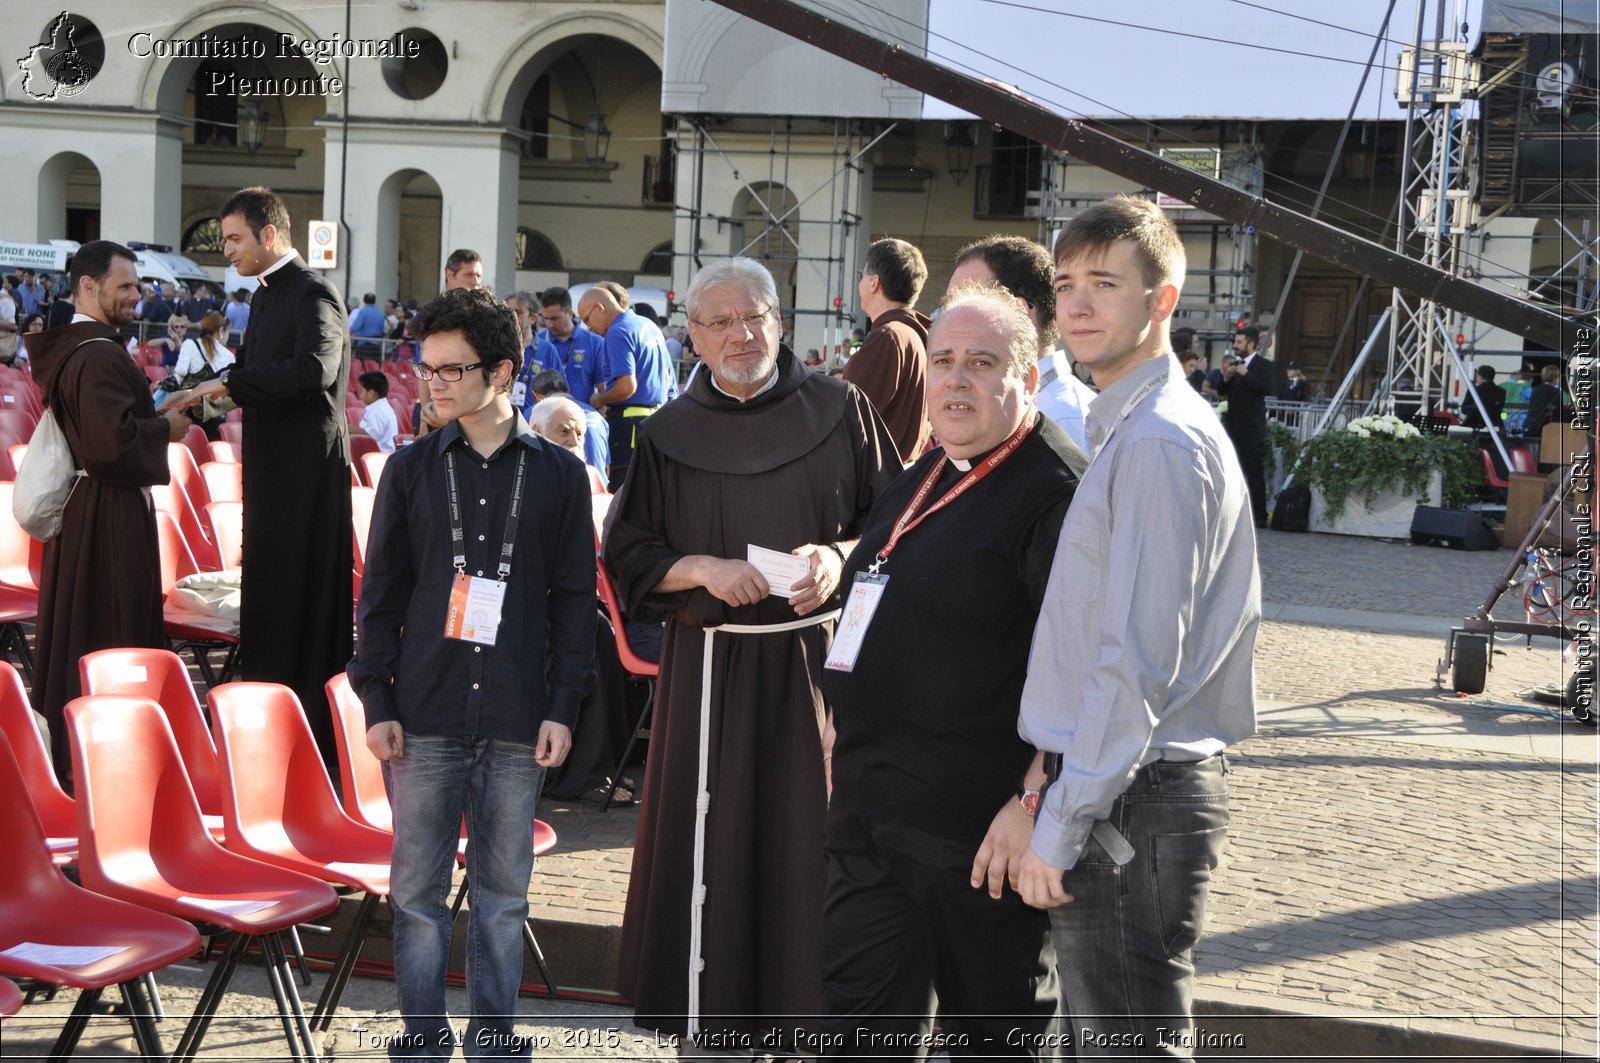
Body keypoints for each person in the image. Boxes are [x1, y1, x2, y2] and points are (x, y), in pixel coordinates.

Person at [604, 256, 899, 1046]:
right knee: (717, 849)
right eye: (720, 321)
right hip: (712, 671)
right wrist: (700, 566)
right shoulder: (666, 435)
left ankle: (819, 1021)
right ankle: (713, 1021)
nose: (741, 334)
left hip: (816, 666)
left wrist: (837, 558)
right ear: (692, 336)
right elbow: (628, 551)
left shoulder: (842, 410)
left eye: (755, 316)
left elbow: (899, 530)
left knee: (817, 845)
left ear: (781, 320)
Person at [1014, 195, 1259, 1053]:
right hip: (1129, 793)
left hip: (1132, 800)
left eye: (1105, 284)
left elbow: (1135, 662)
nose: (1076, 304)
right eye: (1067, 282)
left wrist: (1062, 819)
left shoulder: (1157, 439)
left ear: (1161, 301)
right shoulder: (1130, 424)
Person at [821, 286, 1082, 1056]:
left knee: (989, 1040)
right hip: (870, 816)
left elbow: (1082, 668)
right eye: (943, 362)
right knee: (857, 1030)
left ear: (1028, 378)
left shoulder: (1059, 492)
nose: (956, 380)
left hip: (981, 838)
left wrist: (1035, 798)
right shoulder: (925, 471)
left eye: (982, 363)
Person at [348, 286, 593, 1061]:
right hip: (422, 711)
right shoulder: (412, 470)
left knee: (502, 900)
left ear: (503, 371)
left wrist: (563, 705)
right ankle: (423, 1043)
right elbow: (379, 596)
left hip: (520, 717)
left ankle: (495, 1044)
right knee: (416, 899)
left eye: (452, 370)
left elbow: (574, 602)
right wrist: (375, 697)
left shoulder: (557, 474)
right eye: (426, 370)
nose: (434, 384)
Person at [184, 185, 353, 765]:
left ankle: (301, 732)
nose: (225, 250)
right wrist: (207, 397)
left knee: (298, 595)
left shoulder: (313, 294)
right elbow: (258, 375)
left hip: (305, 479)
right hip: (274, 472)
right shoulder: (263, 297)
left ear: (270, 235)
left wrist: (229, 385)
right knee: (269, 593)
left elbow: (315, 369)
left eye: (233, 239)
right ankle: (260, 722)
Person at [27, 240, 191, 776]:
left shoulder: (88, 347)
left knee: (84, 628)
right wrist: (164, 428)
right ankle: (105, 758)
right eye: (124, 285)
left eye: (136, 285)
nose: (136, 295)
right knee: (107, 630)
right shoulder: (97, 353)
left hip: (95, 512)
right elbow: (109, 447)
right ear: (88, 287)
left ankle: (87, 755)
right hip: (106, 517)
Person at [949, 234, 1096, 454]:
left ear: (1017, 311)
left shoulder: (1061, 417)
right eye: (950, 306)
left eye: (965, 305)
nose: (947, 319)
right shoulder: (997, 403)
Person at [578, 284, 678, 490]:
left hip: (629, 426)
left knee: (624, 496)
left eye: (587, 319)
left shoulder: (618, 332)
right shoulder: (647, 325)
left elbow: (626, 387)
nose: (588, 327)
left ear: (599, 307)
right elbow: (667, 377)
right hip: (654, 422)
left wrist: (600, 399)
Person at [845, 237, 932, 465]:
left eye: (861, 276)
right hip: (898, 472)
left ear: (874, 282)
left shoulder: (888, 337)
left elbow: (848, 415)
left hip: (878, 477)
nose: (860, 283)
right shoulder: (911, 334)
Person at [523, 287, 605, 422]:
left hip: (580, 420)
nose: (549, 324)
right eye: (546, 319)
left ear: (570, 313)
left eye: (555, 318)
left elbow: (603, 389)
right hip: (543, 421)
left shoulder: (594, 343)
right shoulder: (538, 342)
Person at [1223, 326, 1274, 527]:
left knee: (1253, 471)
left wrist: (1246, 374)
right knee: (1231, 471)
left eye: (1240, 342)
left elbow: (1266, 388)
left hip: (1252, 428)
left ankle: (1259, 515)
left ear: (1251, 344)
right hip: (1233, 427)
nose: (1236, 346)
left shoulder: (1263, 365)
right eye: (1235, 342)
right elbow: (1222, 391)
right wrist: (1227, 378)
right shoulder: (1236, 365)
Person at [352, 371, 399, 454]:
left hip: (381, 456)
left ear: (371, 393)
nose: (360, 395)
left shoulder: (377, 410)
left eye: (361, 392)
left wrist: (349, 429)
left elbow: (371, 435)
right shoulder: (383, 407)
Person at [1459, 365, 1506, 434]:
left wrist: (1474, 407)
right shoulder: (1502, 391)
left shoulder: (1474, 390)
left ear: (1480, 377)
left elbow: (1464, 409)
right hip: (1494, 425)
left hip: (1475, 425)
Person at [1525, 365, 1564, 439]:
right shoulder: (1555, 391)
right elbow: (1558, 410)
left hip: (1530, 423)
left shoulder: (1536, 389)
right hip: (1544, 426)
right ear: (1555, 377)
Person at [349, 292, 388, 356]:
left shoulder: (363, 312)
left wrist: (346, 333)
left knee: (363, 364)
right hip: (377, 343)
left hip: (364, 343)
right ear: (374, 301)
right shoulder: (381, 313)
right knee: (373, 364)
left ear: (364, 300)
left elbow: (356, 327)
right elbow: (382, 328)